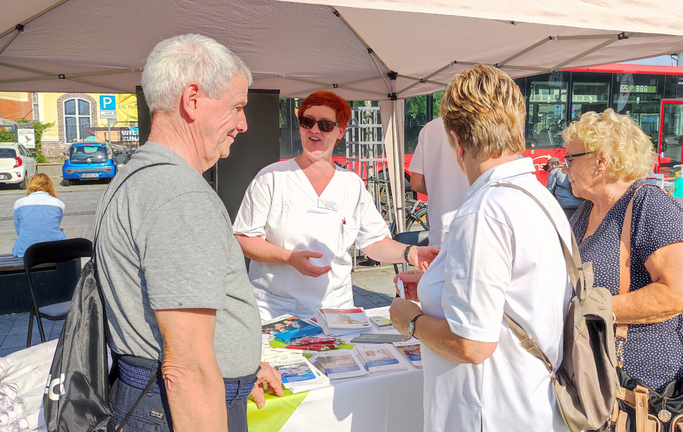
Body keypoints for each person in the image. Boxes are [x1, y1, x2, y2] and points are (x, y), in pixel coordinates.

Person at [95, 34, 282, 432]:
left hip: (152, 398)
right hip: (170, 407)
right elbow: (187, 367)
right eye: (237, 107)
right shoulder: (179, 196)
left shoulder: (138, 175)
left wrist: (242, 369)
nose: (243, 124)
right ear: (192, 100)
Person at [389, 64, 572, 432]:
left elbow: (471, 344)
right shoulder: (538, 195)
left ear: (456, 140)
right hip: (530, 402)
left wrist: (408, 320)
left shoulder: (485, 209)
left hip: (487, 414)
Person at [233, 91, 439, 320]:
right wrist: (287, 257)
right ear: (300, 127)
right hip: (276, 312)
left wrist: (411, 252)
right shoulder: (271, 177)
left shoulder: (351, 184)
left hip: (336, 312)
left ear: (340, 131)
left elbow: (373, 242)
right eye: (307, 121)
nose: (314, 130)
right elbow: (244, 237)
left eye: (325, 125)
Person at [561, 108, 683, 393]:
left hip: (644, 389)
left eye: (570, 159)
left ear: (600, 160)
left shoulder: (650, 205)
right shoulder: (587, 210)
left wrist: (588, 309)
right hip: (597, 378)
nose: (564, 168)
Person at [409, 117, 469, 248]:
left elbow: (416, 182)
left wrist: (442, 190)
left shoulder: (430, 128)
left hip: (441, 231)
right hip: (475, 232)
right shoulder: (486, 124)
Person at [12, 173, 67, 257]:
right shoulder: (58, 204)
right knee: (60, 234)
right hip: (54, 250)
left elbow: (19, 230)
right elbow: (55, 224)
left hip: (25, 251)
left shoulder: (19, 203)